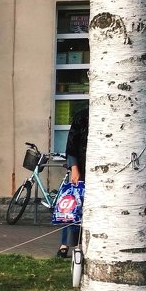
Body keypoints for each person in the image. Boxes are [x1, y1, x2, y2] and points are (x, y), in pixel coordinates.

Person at [58, 106, 88, 258]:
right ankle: (65, 244)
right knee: (73, 207)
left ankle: (85, 245)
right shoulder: (82, 115)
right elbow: (71, 145)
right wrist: (74, 168)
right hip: (82, 170)